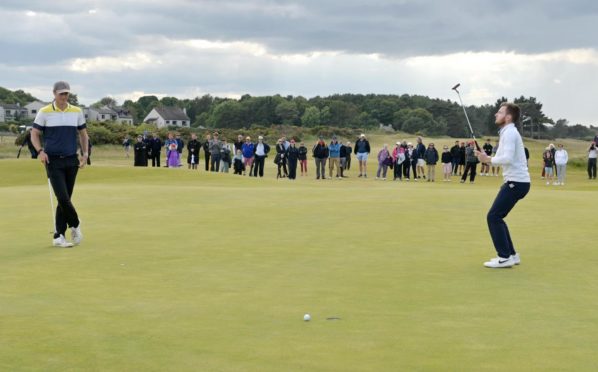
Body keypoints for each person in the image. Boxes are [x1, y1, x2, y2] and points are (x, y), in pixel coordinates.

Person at [30, 81, 88, 248]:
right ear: (54, 94)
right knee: (62, 197)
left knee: (65, 199)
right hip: (52, 160)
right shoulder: (44, 112)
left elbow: (83, 135)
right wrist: (40, 151)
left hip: (72, 159)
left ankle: (59, 235)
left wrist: (85, 154)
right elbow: (34, 134)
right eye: (61, 93)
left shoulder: (77, 111)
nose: (64, 96)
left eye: (66, 93)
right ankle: (75, 223)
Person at [476, 102, 530, 268]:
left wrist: (489, 159)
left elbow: (507, 158)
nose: (496, 114)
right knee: (497, 216)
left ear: (508, 117)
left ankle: (505, 257)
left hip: (517, 182)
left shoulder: (510, 133)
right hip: (515, 182)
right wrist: (486, 157)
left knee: (493, 216)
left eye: (499, 112)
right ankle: (512, 255)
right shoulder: (506, 132)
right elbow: (499, 160)